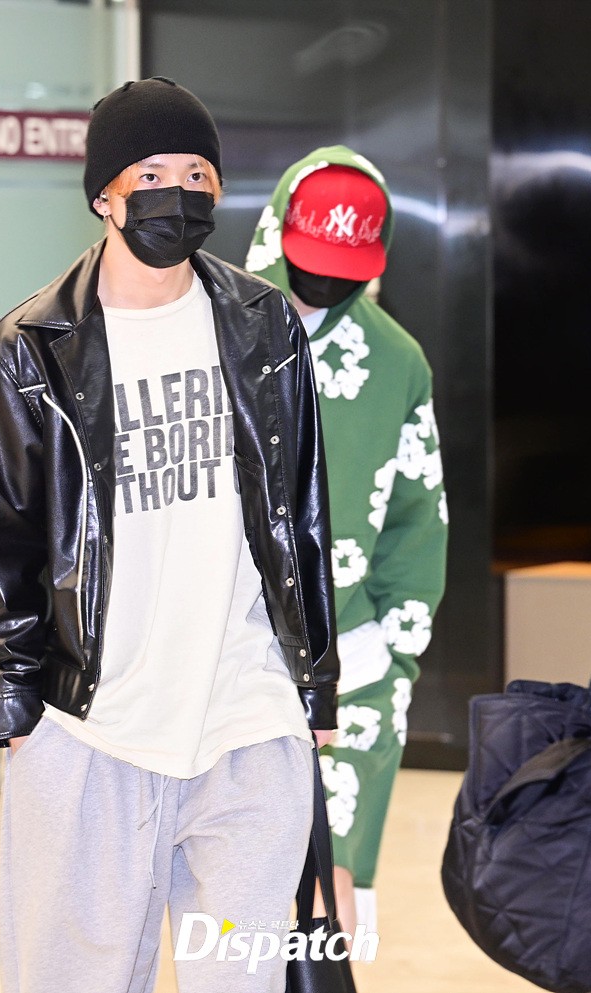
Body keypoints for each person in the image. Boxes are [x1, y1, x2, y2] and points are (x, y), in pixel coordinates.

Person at [0, 77, 339, 993]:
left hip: (247, 728)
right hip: (91, 732)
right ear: (105, 193)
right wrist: (17, 720)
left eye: (198, 173)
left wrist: (313, 689)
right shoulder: (25, 352)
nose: (180, 193)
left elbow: (301, 512)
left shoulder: (266, 327)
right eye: (154, 172)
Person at [246, 145, 448, 939]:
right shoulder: (215, 332)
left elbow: (417, 520)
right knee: (232, 908)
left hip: (354, 663)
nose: (324, 282)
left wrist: (394, 656)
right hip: (224, 665)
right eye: (311, 260)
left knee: (329, 914)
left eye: (346, 266)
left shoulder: (396, 361)